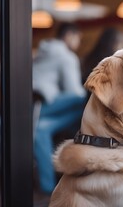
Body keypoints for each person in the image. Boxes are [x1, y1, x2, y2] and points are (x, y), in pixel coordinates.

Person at [32, 22, 86, 194]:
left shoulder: (43, 51)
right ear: (70, 35)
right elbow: (74, 90)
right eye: (78, 38)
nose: (78, 43)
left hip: (30, 106)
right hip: (43, 105)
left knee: (41, 130)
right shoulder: (66, 56)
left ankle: (48, 188)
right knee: (84, 99)